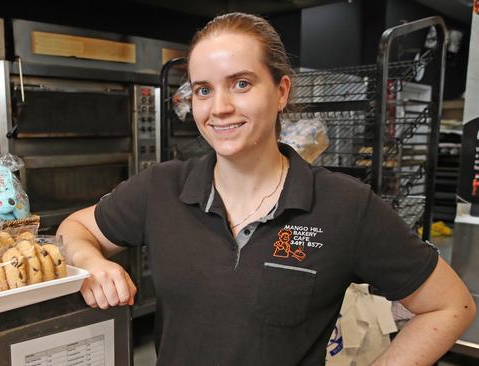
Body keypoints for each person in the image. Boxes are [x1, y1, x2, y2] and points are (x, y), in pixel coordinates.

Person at [57, 12, 475, 365]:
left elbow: (451, 304)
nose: (219, 108)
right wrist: (88, 259)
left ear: (280, 91)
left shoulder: (344, 205)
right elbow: (75, 228)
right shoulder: (161, 187)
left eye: (241, 83)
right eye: (203, 90)